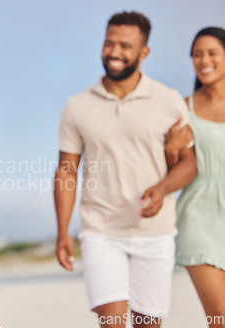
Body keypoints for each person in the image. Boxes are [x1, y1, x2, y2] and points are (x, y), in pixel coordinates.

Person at [54, 11, 197, 328]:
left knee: (149, 325)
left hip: (155, 234)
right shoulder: (77, 106)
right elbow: (66, 171)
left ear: (144, 52)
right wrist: (63, 230)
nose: (114, 52)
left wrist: (162, 188)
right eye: (109, 43)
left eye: (125, 46)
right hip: (101, 232)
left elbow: (189, 163)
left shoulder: (169, 101)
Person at [165, 27, 225, 327]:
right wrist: (172, 150)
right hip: (199, 216)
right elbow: (172, 169)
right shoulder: (182, 108)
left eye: (212, 53)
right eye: (197, 55)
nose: (204, 60)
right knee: (220, 318)